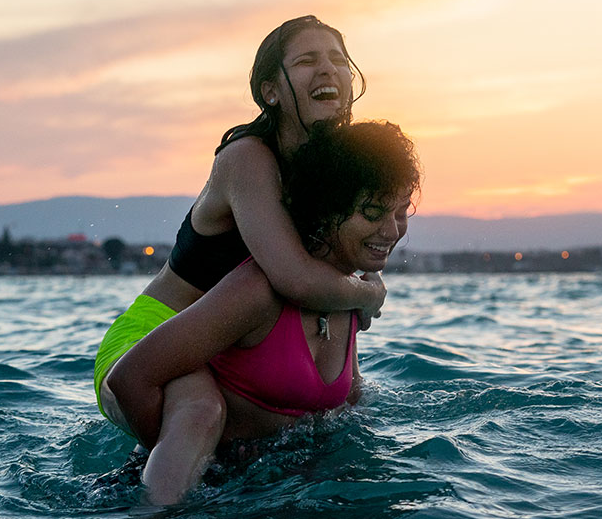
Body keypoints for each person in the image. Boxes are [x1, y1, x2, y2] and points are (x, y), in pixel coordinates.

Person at [93, 15, 386, 455]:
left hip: (228, 354)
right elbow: (297, 279)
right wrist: (367, 295)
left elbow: (330, 282)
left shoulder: (331, 172)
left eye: (338, 59)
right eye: (307, 60)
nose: (327, 69)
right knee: (200, 411)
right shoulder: (246, 158)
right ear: (270, 91)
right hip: (151, 341)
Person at [107, 120, 422, 505]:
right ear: (326, 209)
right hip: (192, 492)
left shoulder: (349, 294)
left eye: (402, 211)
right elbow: (131, 379)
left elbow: (346, 408)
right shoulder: (256, 291)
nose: (391, 231)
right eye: (373, 212)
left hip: (268, 492)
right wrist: (189, 459)